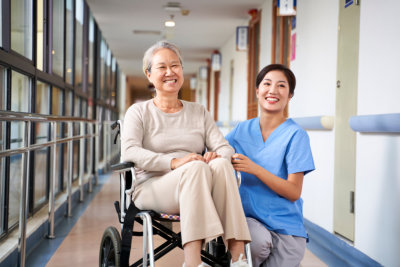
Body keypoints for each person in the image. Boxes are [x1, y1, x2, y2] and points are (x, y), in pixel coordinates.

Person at [121, 40, 251, 267]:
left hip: (197, 181)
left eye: (175, 65)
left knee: (220, 165)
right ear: (149, 74)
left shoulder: (198, 111)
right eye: (162, 67)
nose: (170, 72)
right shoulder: (139, 112)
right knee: (195, 167)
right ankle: (193, 263)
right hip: (152, 185)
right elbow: (130, 151)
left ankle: (239, 258)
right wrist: (174, 162)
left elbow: (224, 147)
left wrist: (217, 155)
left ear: (181, 70)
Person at [225, 64, 315, 267]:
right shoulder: (241, 130)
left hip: (286, 228)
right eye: (267, 84)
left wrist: (255, 168)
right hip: (248, 221)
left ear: (290, 95)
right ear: (257, 91)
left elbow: (293, 192)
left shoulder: (296, 135)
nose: (273, 90)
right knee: (256, 244)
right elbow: (218, 151)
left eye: (281, 86)